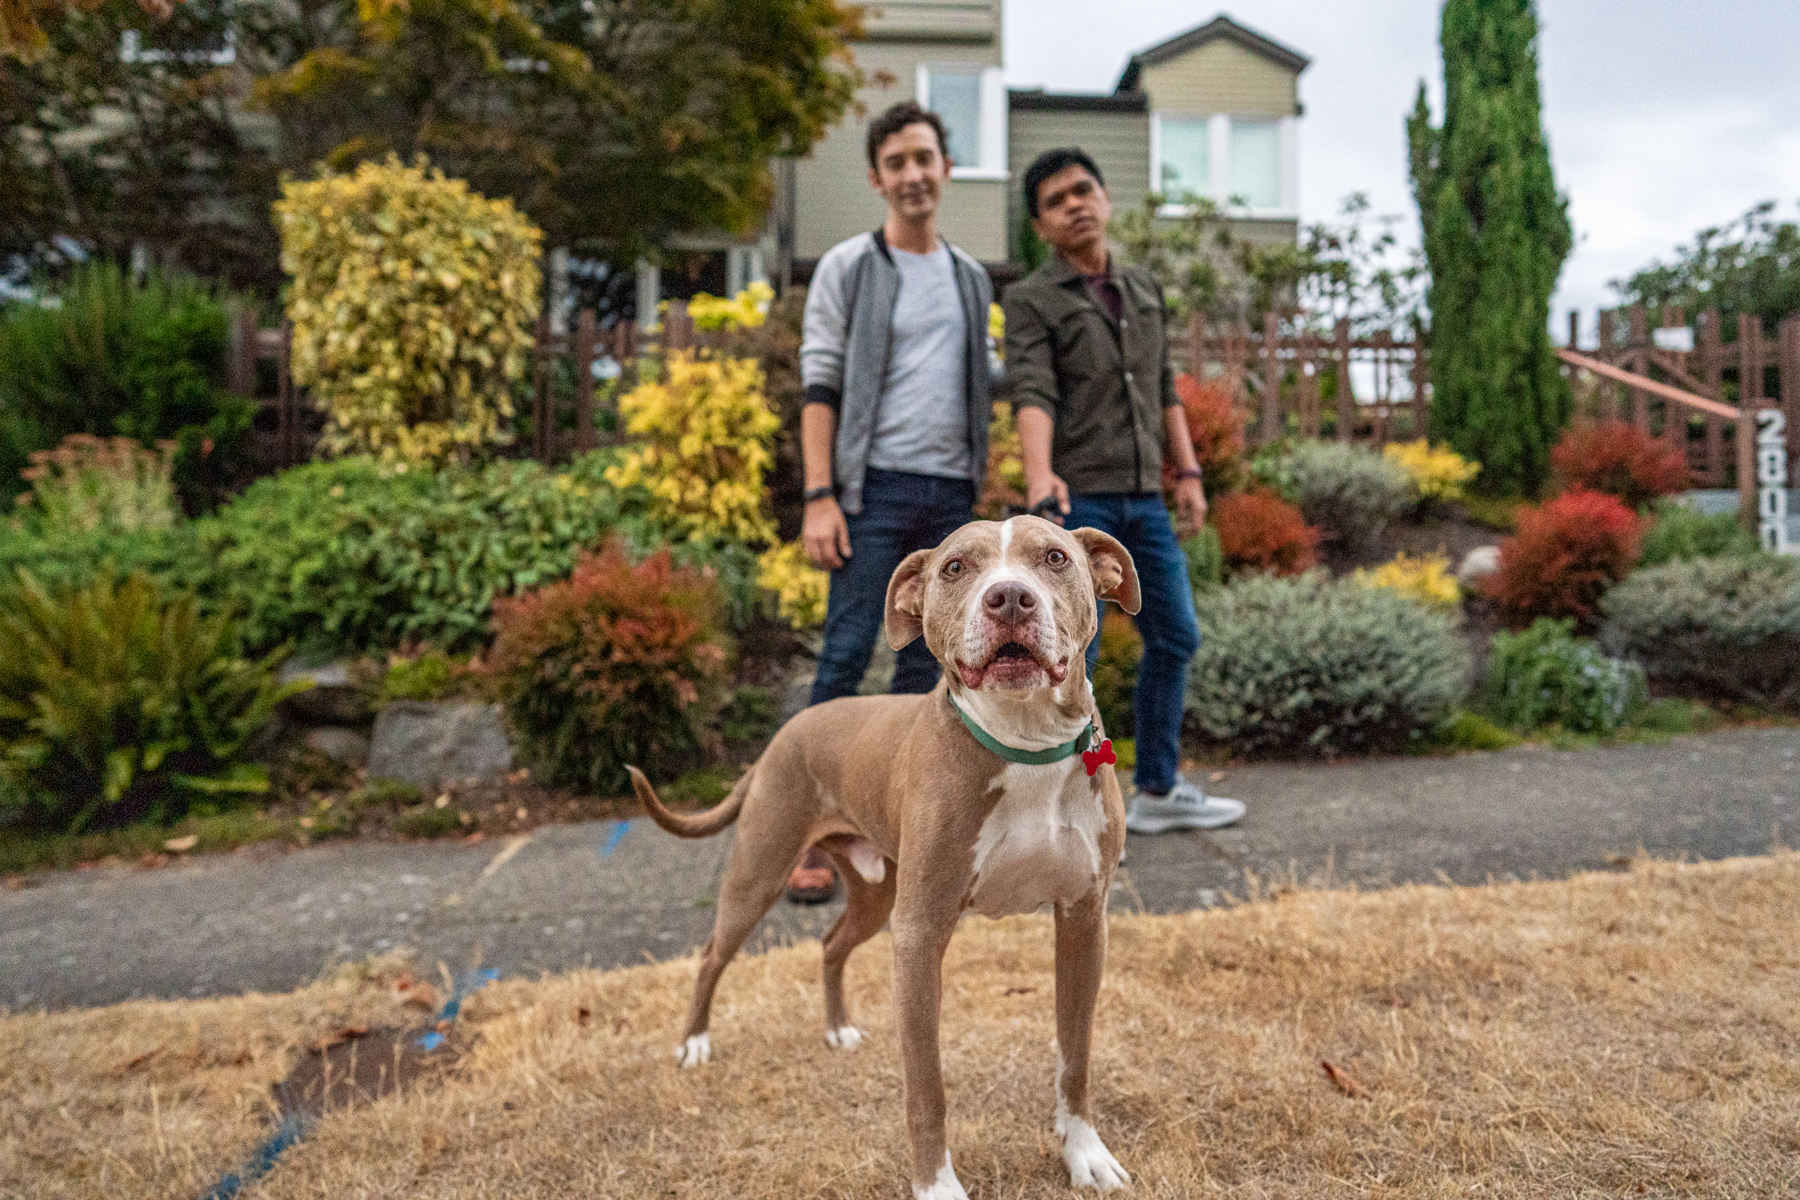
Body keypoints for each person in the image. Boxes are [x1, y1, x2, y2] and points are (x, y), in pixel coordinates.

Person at [785, 100, 999, 901]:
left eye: (924, 158)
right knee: (846, 651)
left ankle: (910, 827)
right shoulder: (851, 267)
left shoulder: (971, 278)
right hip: (872, 488)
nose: (913, 174)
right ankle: (808, 831)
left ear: (946, 168)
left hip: (952, 496)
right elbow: (820, 383)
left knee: (930, 662)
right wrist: (820, 496)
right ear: (877, 178)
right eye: (897, 163)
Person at [1003, 147, 1244, 833]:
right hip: (1079, 504)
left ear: (1106, 199)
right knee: (1076, 657)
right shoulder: (1032, 299)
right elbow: (1033, 389)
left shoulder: (1142, 289)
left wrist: (1188, 472)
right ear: (1041, 226)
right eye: (1056, 202)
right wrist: (1040, 476)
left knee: (1176, 636)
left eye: (1083, 190)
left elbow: (1164, 385)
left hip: (1146, 501)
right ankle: (1072, 799)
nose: (1074, 205)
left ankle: (1158, 789)